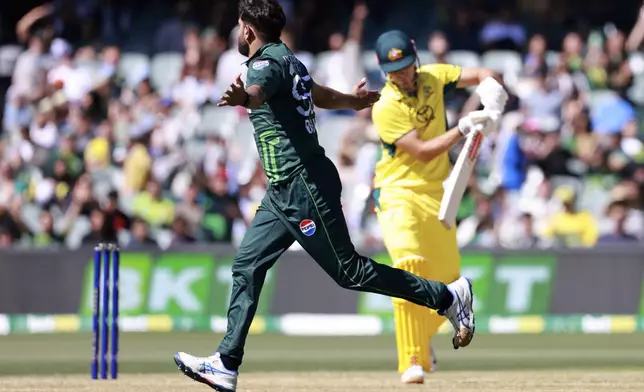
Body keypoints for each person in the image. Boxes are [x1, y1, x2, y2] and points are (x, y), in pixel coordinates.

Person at [173, 2, 475, 391]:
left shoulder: (264, 65)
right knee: (247, 265)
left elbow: (259, 93)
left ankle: (448, 297)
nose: (238, 31)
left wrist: (244, 98)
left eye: (239, 24)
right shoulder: (289, 60)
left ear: (248, 31)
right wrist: (351, 102)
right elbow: (317, 95)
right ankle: (226, 363)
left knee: (349, 272)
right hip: (283, 190)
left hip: (303, 186)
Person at [371, 30, 506, 384]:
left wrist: (493, 95)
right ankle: (411, 359)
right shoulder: (385, 106)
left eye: (405, 66)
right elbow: (423, 150)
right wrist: (464, 126)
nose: (402, 75)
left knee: (450, 285)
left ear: (415, 57)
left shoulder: (433, 75)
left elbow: (481, 75)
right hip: (397, 192)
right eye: (394, 70)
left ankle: (422, 337)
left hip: (438, 194)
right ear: (383, 69)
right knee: (408, 265)